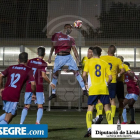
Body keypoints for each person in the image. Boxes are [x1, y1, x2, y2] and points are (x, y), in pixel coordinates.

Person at [48, 24, 88, 100]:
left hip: (68, 57)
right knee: (55, 74)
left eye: (71, 30)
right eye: (69, 29)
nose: (70, 31)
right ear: (65, 28)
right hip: (59, 57)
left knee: (76, 72)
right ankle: (53, 93)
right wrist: (50, 57)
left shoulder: (71, 39)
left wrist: (78, 60)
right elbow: (53, 46)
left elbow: (74, 49)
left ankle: (84, 90)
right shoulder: (56, 35)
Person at [20, 46, 55, 124]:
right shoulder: (43, 63)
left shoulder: (30, 61)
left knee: (26, 106)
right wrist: (50, 83)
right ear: (44, 54)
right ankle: (37, 122)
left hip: (29, 86)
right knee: (40, 106)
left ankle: (21, 124)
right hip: (38, 87)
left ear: (37, 53)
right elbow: (43, 75)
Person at [83, 46, 113, 137]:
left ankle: (89, 129)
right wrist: (106, 83)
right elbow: (110, 78)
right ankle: (111, 129)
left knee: (90, 109)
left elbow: (84, 75)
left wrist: (86, 83)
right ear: (100, 54)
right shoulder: (105, 63)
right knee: (107, 108)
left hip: (93, 89)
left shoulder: (88, 62)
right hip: (103, 88)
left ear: (92, 53)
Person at [0, 52, 36, 124]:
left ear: (18, 60)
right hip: (13, 95)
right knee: (7, 118)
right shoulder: (28, 70)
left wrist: (1, 88)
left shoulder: (10, 67)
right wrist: (34, 93)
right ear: (27, 60)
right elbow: (33, 83)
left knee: (13, 113)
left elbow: (0, 76)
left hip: (5, 93)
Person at [99, 45, 124, 122]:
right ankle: (112, 117)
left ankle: (99, 116)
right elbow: (122, 70)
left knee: (100, 100)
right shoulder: (118, 60)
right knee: (112, 100)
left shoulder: (102, 58)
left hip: (103, 81)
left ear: (108, 51)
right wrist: (117, 76)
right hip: (113, 82)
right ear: (115, 52)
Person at [116, 56, 131, 124]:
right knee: (121, 102)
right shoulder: (123, 65)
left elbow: (129, 72)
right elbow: (129, 72)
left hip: (114, 84)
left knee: (113, 102)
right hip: (118, 84)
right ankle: (119, 119)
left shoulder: (118, 65)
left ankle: (118, 119)